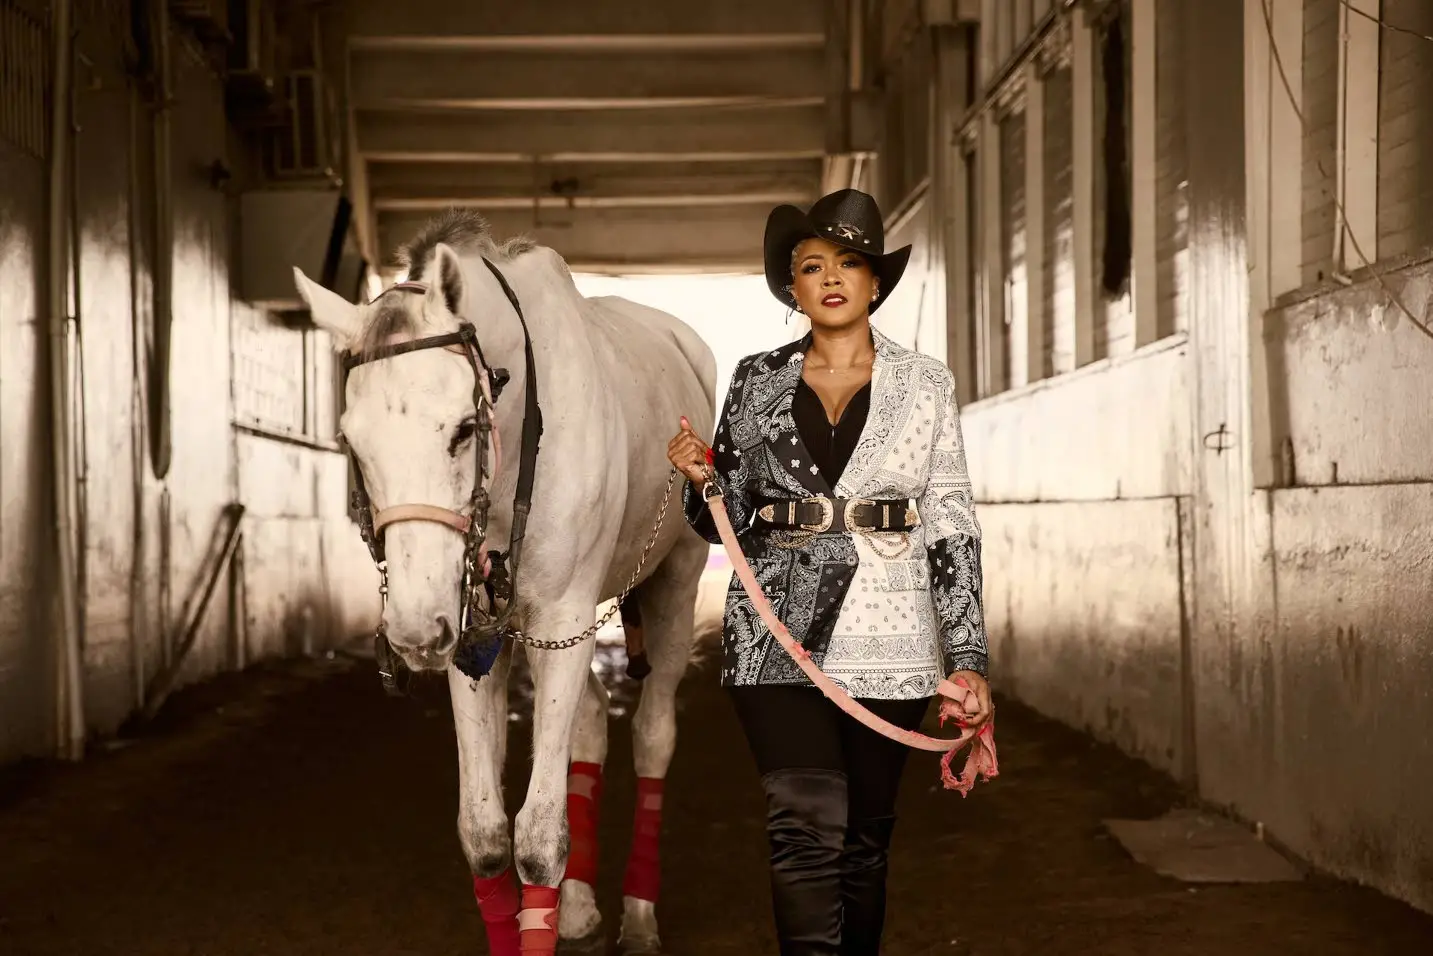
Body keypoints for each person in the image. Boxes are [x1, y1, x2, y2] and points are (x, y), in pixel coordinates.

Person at [667, 188, 993, 955]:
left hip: (895, 634)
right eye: (812, 266)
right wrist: (700, 481)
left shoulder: (926, 383)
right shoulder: (755, 380)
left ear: (875, 282)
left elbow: (950, 523)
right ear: (794, 288)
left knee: (862, 843)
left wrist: (968, 656)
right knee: (804, 826)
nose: (832, 277)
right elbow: (723, 523)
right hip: (774, 634)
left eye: (849, 262)